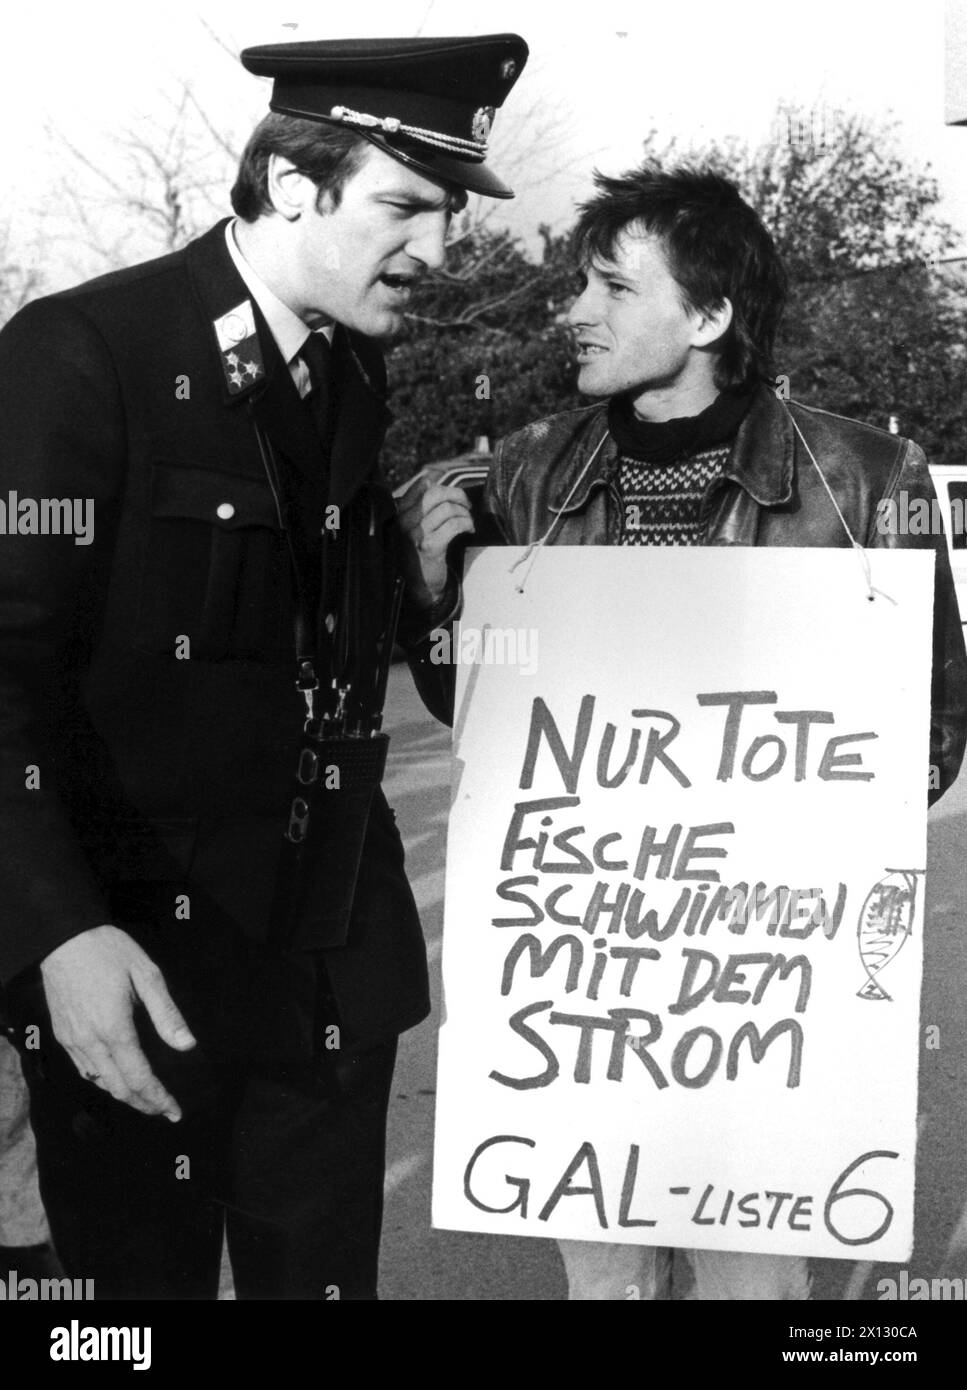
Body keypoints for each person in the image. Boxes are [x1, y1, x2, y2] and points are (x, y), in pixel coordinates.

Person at [0, 32, 527, 1301]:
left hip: (326, 976)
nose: (438, 253)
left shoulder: (350, 362)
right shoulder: (84, 351)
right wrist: (58, 935)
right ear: (292, 184)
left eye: (446, 212)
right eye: (404, 205)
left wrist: (409, 593)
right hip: (134, 982)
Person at [399, 162, 967, 1299]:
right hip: (589, 975)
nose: (574, 312)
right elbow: (479, 710)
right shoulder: (523, 472)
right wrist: (439, 595)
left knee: (750, 1287)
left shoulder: (866, 477)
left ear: (708, 315)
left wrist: (773, 840)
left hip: (758, 982)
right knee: (606, 1287)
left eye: (611, 286)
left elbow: (935, 723)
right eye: (579, 285)